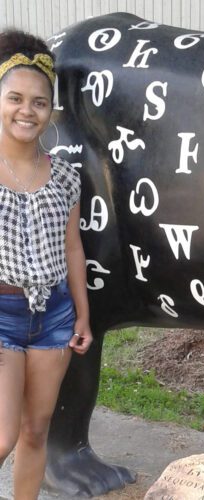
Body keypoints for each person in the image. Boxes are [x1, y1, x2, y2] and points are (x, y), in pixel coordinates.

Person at [0, 29, 93, 499]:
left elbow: (72, 246)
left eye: (39, 102)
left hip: (54, 315)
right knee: (2, 436)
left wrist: (82, 314)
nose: (26, 110)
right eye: (15, 98)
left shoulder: (65, 176)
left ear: (50, 110)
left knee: (36, 432)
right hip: (1, 314)